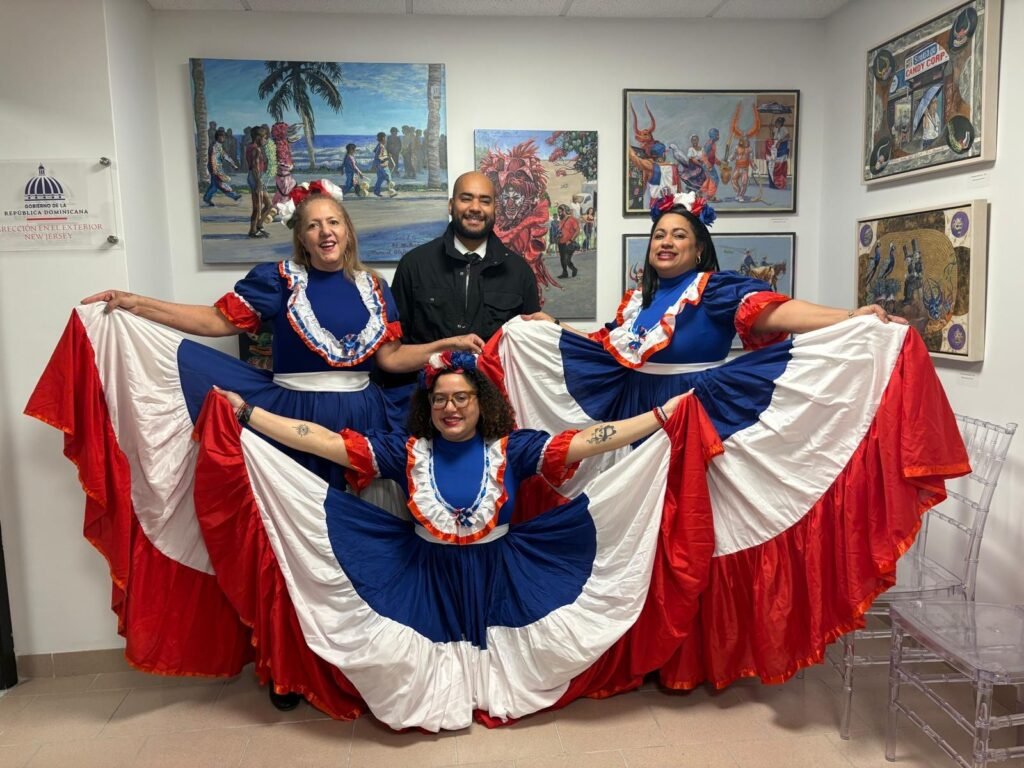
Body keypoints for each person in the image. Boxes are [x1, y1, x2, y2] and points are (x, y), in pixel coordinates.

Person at [483, 190, 970, 691]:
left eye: (679, 236)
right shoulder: (638, 303)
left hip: (691, 416)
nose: (666, 242)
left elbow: (775, 313)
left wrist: (849, 318)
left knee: (686, 525)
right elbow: (606, 350)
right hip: (638, 418)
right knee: (639, 525)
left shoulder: (712, 289)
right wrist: (550, 328)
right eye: (659, 235)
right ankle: (636, 641)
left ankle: (685, 657)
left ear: (699, 249)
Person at [26, 180, 483, 696]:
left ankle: (364, 662)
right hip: (292, 419)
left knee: (361, 538)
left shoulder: (375, 288)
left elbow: (390, 359)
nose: (326, 232)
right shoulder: (279, 280)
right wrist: (135, 303)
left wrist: (444, 345)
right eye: (314, 225)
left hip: (363, 416)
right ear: (301, 237)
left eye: (333, 222)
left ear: (348, 230)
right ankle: (290, 667)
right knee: (292, 541)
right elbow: (215, 321)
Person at [199, 352, 714, 730]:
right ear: (428, 405)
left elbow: (586, 440)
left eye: (461, 397)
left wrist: (659, 417)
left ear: (480, 402)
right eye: (441, 398)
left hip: (502, 576)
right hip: (425, 576)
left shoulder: (513, 449)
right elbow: (325, 441)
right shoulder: (405, 452)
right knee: (395, 666)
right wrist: (248, 415)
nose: (450, 407)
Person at [375, 172, 540, 395]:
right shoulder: (414, 265)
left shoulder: (519, 272)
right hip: (426, 402)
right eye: (466, 198)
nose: (475, 208)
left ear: (495, 209)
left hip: (494, 403)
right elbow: (392, 352)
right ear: (451, 205)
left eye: (485, 201)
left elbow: (530, 350)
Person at [202, 128, 241, 206]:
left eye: (224, 137)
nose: (224, 138)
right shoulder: (214, 147)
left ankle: (207, 198)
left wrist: (233, 165)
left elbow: (225, 156)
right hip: (215, 169)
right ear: (219, 137)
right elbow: (212, 158)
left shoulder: (219, 146)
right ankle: (234, 195)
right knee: (220, 184)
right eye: (223, 136)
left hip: (217, 169)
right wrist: (214, 170)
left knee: (214, 186)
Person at [556, 204, 580, 278]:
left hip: (568, 243)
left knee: (566, 259)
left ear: (565, 211)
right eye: (558, 212)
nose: (559, 213)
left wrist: (571, 240)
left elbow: (577, 231)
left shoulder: (572, 219)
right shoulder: (561, 221)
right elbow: (561, 231)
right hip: (561, 242)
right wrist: (558, 236)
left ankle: (574, 269)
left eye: (561, 212)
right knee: (562, 259)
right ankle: (565, 273)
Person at [372, 132, 396, 198]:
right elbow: (380, 157)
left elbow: (375, 152)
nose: (386, 139)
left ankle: (376, 191)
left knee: (380, 178)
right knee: (388, 178)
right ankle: (391, 193)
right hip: (382, 165)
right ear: (383, 138)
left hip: (378, 165)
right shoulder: (381, 146)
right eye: (385, 138)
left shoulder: (379, 145)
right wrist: (388, 157)